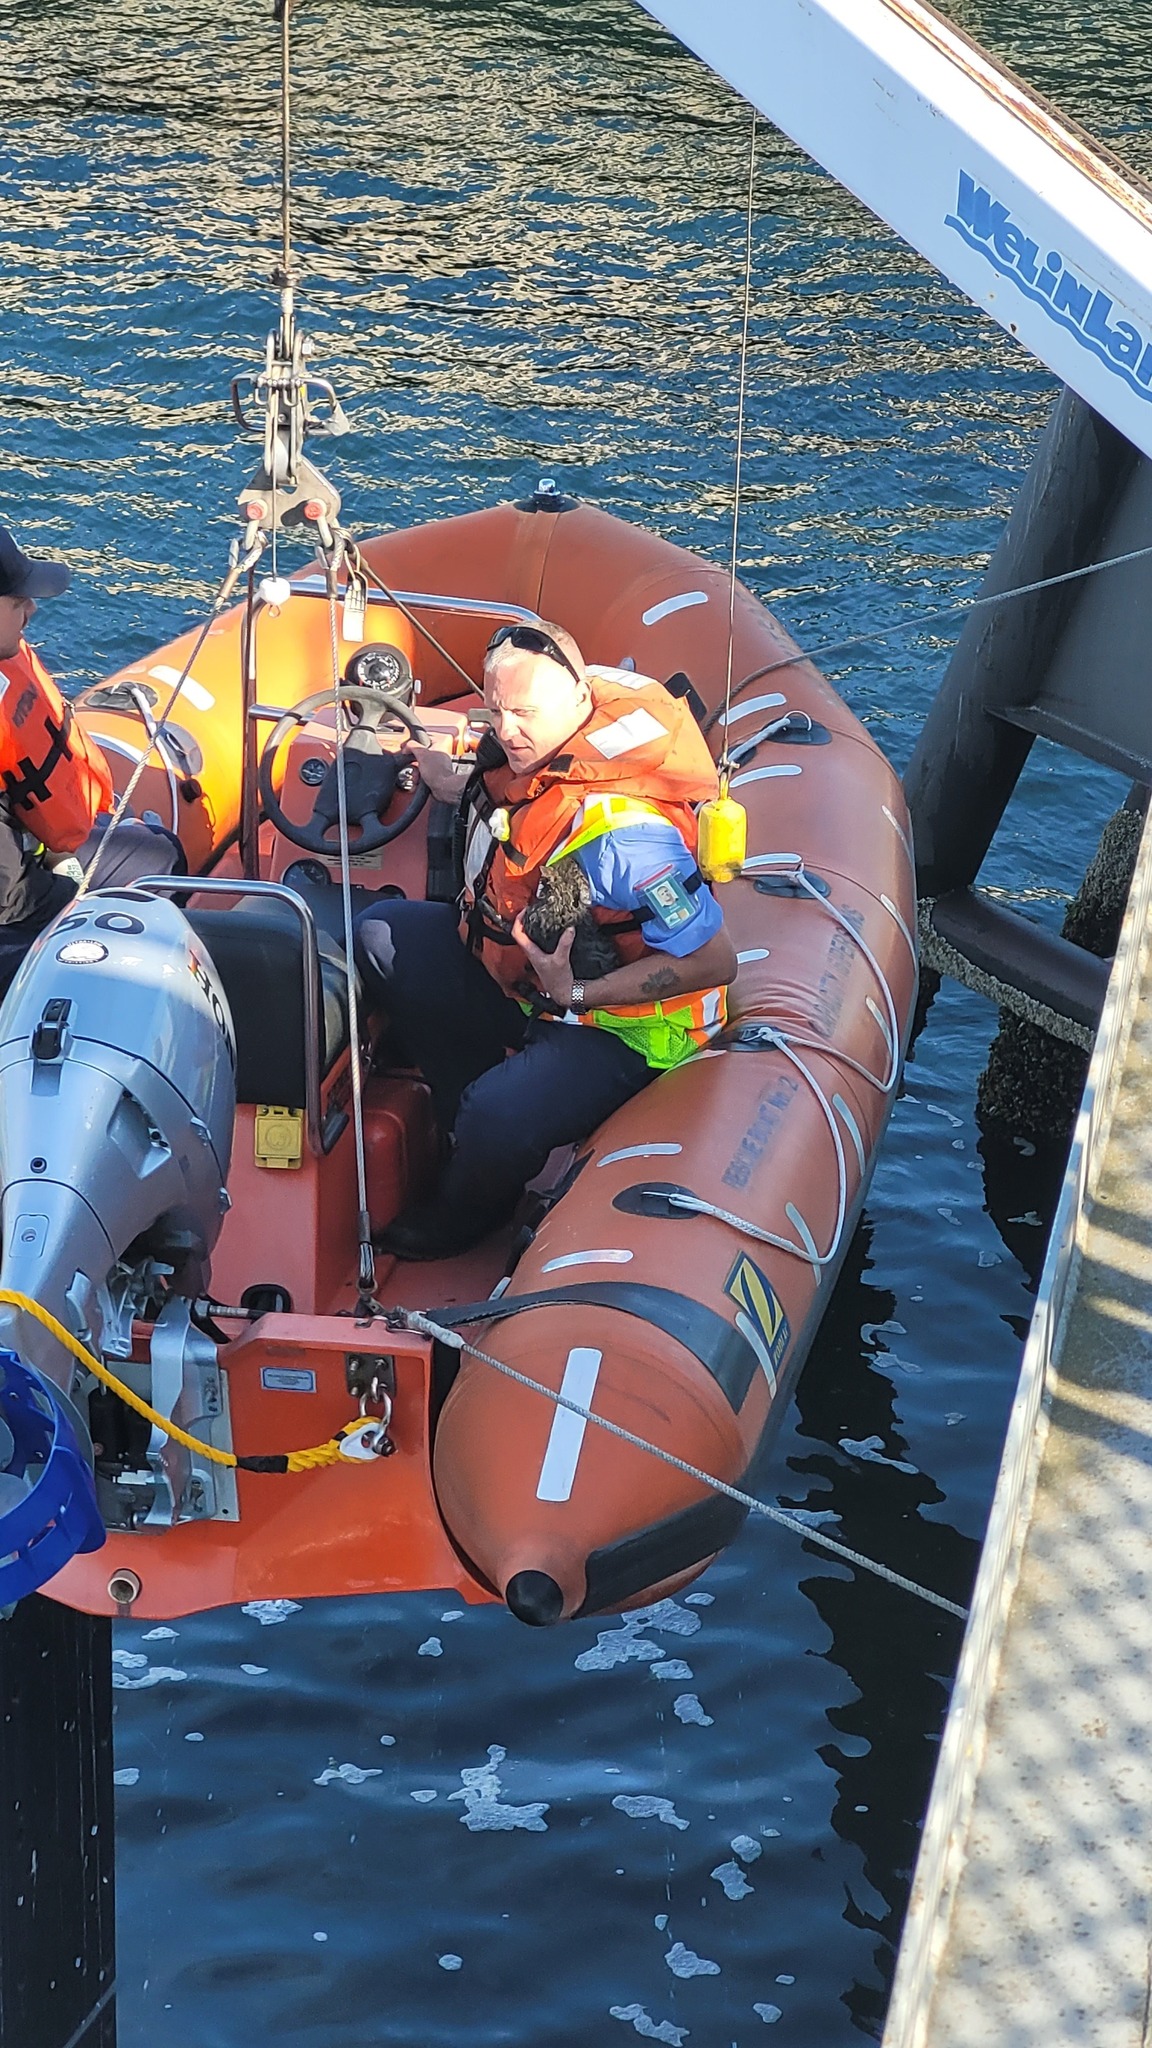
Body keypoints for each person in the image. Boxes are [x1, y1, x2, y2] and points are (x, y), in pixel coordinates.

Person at [354, 619, 737, 1259]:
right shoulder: (531, 760)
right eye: (497, 710)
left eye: (525, 713)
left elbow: (716, 961)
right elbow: (503, 790)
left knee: (497, 1114)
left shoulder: (632, 839)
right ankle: (468, 1116)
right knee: (383, 937)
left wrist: (578, 992)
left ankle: (473, 1206)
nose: (507, 731)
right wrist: (445, 774)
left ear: (580, 700)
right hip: (533, 985)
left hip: (623, 1029)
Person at [0, 524, 183, 993]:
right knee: (156, 864)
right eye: (18, 601)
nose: (32, 609)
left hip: (32, 851)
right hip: (16, 911)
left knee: (155, 849)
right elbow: (7, 897)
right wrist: (73, 894)